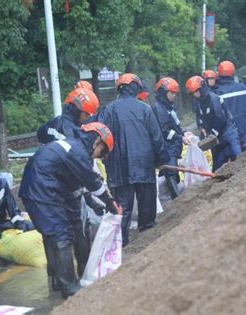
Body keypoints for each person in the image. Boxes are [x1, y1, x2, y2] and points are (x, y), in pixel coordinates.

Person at [19, 122, 121, 299]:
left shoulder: (73, 147)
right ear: (97, 140)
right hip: (42, 190)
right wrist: (110, 203)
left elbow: (77, 185)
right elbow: (92, 181)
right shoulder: (78, 152)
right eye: (102, 152)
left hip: (42, 189)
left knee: (55, 234)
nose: (100, 157)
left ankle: (59, 280)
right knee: (61, 235)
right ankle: (70, 287)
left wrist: (95, 203)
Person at [35, 87, 104, 291]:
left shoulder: (53, 125)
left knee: (52, 232)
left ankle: (56, 278)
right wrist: (93, 197)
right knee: (76, 228)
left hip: (49, 185)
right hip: (66, 185)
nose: (87, 118)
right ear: (78, 110)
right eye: (86, 114)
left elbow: (40, 134)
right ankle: (81, 274)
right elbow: (79, 167)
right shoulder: (74, 132)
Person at [95, 73, 170, 247]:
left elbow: (99, 136)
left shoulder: (109, 110)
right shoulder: (145, 109)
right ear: (136, 87)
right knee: (147, 205)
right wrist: (162, 160)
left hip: (118, 167)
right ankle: (147, 238)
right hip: (144, 164)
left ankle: (121, 244)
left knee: (122, 208)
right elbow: (156, 138)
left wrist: (105, 159)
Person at [186, 76, 241, 171]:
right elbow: (199, 117)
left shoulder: (213, 99)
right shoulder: (198, 103)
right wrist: (202, 127)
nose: (196, 94)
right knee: (217, 168)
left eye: (197, 91)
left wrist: (212, 135)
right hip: (215, 140)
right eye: (193, 93)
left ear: (202, 88)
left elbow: (220, 118)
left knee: (238, 159)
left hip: (228, 133)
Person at [151, 77, 193, 200]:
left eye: (175, 93)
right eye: (171, 93)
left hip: (173, 147)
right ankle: (177, 200)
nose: (173, 95)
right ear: (163, 92)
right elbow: (164, 131)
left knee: (170, 174)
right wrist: (180, 137)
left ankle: (170, 200)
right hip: (167, 148)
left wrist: (184, 133)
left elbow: (175, 125)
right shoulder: (159, 108)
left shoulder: (168, 107)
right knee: (171, 174)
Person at [215, 60, 246, 151]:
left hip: (227, 133)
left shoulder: (217, 92)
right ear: (233, 72)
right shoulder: (242, 87)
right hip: (245, 131)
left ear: (219, 73)